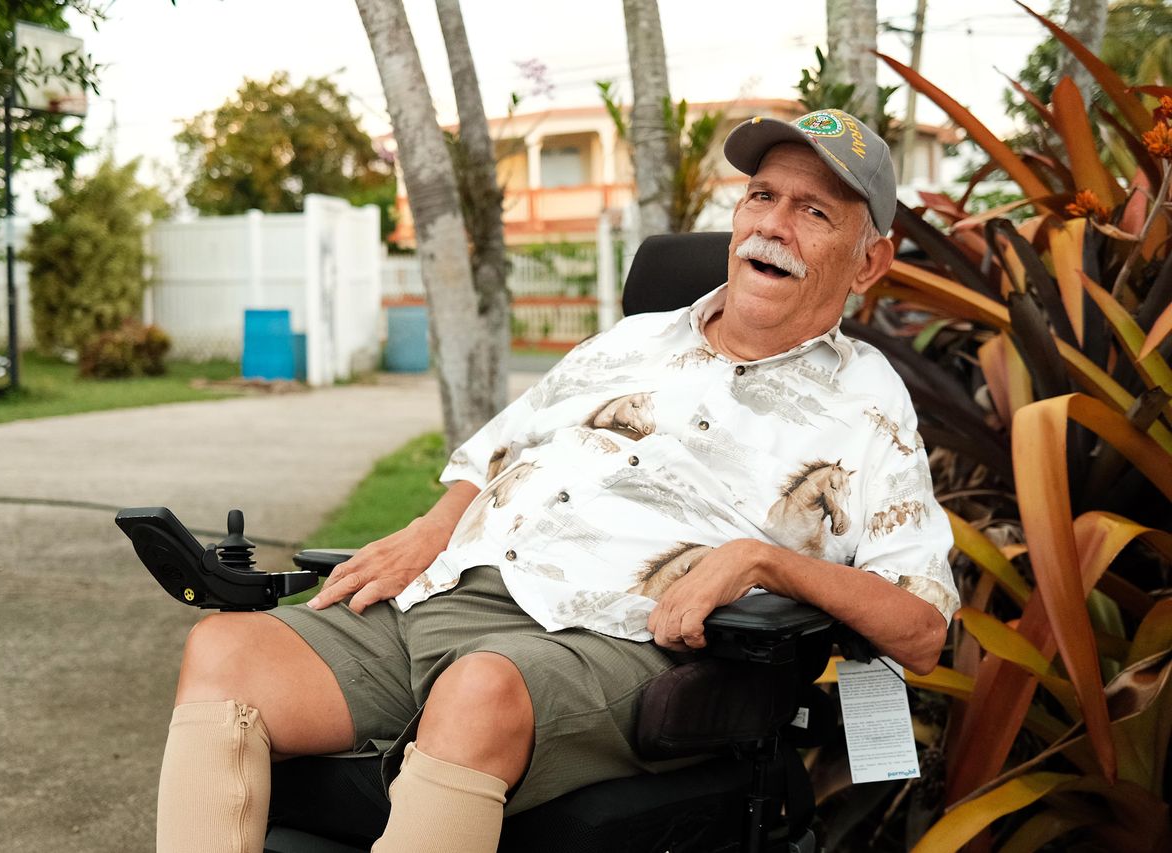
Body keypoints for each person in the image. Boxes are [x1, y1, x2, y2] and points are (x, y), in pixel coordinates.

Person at [154, 108, 959, 853]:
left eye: (814, 212)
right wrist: (432, 529)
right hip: (456, 594)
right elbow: (492, 455)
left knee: (477, 691)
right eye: (761, 196)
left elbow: (923, 628)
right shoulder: (632, 340)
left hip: (614, 639)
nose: (772, 226)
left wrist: (765, 560)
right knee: (227, 650)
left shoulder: (867, 406)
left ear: (869, 262)